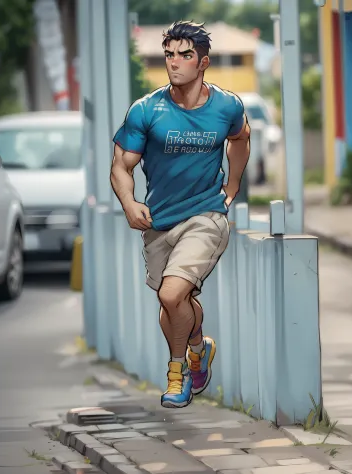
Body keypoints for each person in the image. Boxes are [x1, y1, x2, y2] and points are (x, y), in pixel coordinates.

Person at [110, 20, 250, 409]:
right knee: (171, 305)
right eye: (169, 54)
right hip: (159, 222)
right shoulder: (146, 110)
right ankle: (197, 347)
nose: (174, 63)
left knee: (174, 293)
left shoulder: (227, 106)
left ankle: (178, 376)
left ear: (202, 62)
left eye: (184, 55)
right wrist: (129, 202)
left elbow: (241, 138)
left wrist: (232, 186)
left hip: (205, 215)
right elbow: (121, 166)